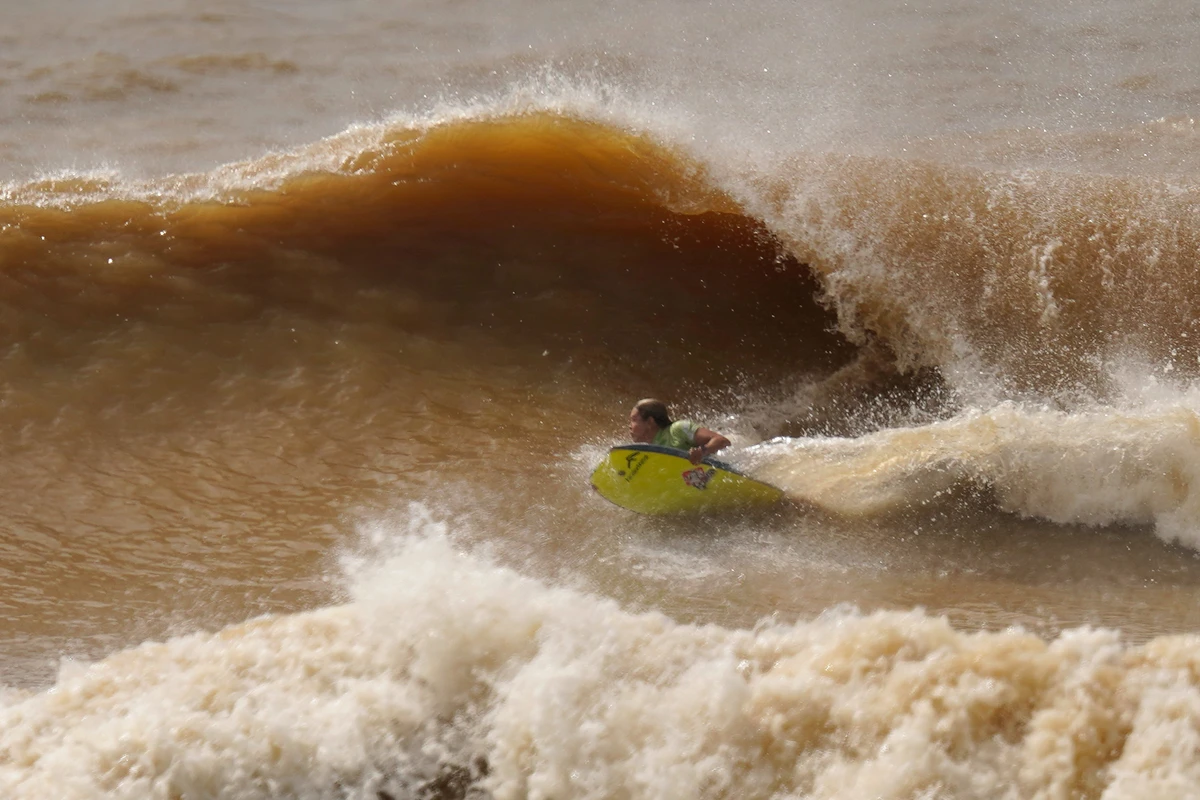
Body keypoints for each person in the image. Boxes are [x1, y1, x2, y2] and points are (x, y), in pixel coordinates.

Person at [628, 398, 731, 465]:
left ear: (650, 422)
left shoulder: (677, 429)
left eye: (634, 420)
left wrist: (702, 451)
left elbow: (722, 441)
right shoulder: (645, 451)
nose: (630, 426)